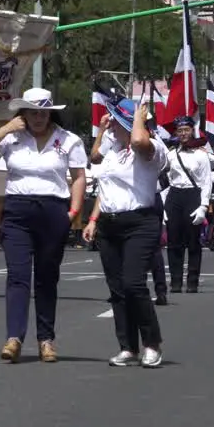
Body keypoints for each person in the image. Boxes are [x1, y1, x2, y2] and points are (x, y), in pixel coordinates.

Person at [0, 88, 86, 364]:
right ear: (22, 113)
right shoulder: (11, 137)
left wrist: (73, 211)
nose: (38, 117)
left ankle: (46, 340)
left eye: (43, 112)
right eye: (32, 112)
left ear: (50, 113)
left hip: (53, 210)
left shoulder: (67, 139)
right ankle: (14, 338)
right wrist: (7, 127)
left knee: (47, 278)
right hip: (17, 211)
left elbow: (79, 176)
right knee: (18, 275)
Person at [83, 98, 167, 368]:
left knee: (133, 284)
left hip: (139, 222)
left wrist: (139, 119)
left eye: (116, 123)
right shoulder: (113, 150)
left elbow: (141, 142)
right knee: (117, 289)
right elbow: (100, 174)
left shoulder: (152, 148)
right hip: (109, 223)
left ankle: (151, 343)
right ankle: (127, 346)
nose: (112, 128)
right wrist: (93, 219)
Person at [162, 116, 214, 294]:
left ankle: (193, 281)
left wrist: (203, 206)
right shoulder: (171, 154)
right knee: (174, 241)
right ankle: (175, 282)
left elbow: (206, 181)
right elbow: (164, 180)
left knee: (193, 241)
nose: (183, 133)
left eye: (186, 130)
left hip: (193, 195)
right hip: (175, 195)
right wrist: (163, 206)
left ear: (192, 131)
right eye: (180, 130)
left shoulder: (201, 155)